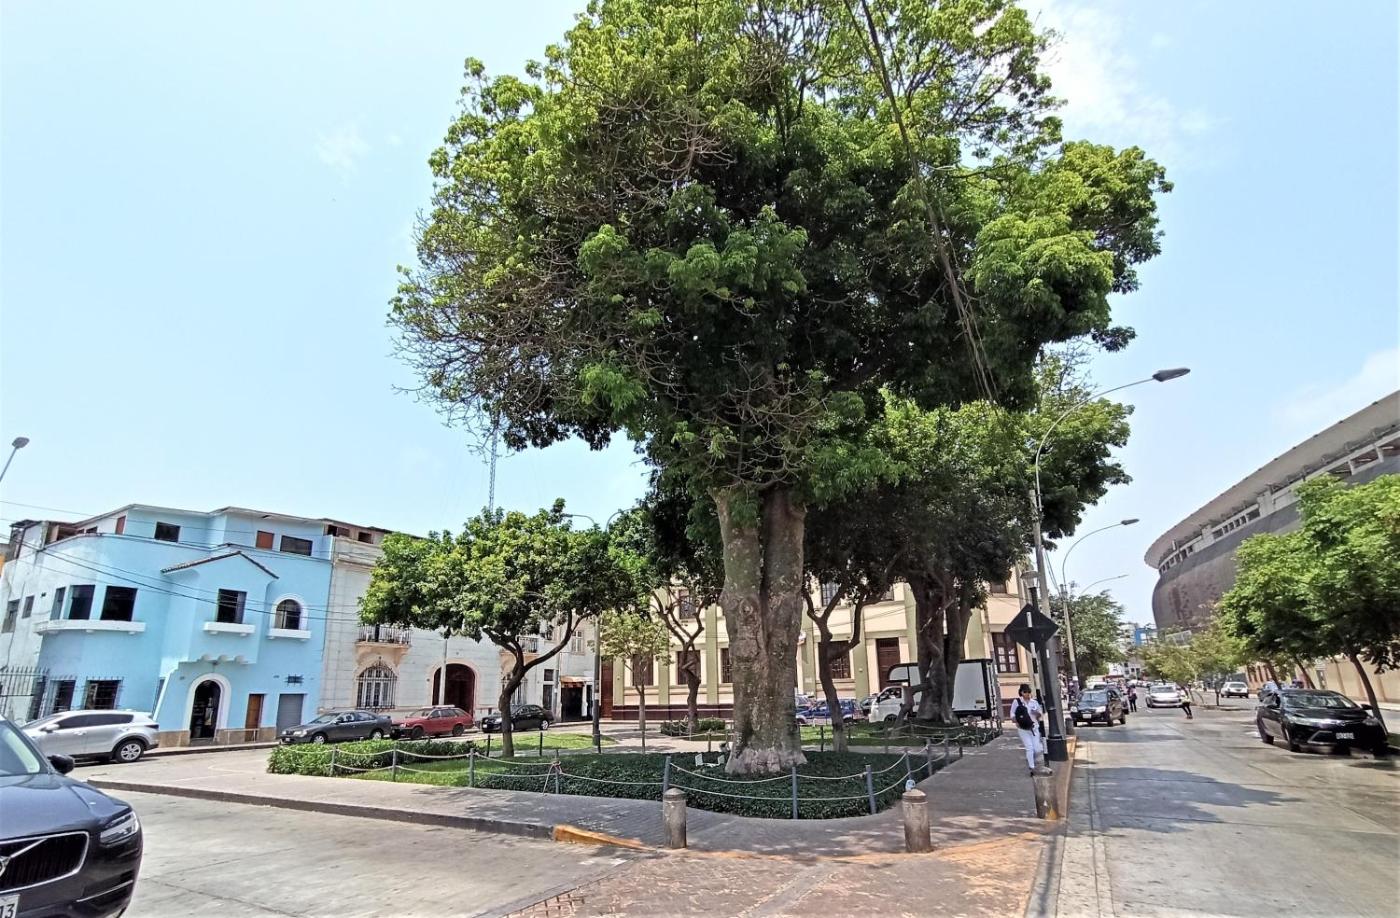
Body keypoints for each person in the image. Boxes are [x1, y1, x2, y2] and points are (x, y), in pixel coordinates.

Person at [1012, 684, 1047, 776]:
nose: (1027, 694)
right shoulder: (1017, 702)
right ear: (1021, 692)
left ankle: (1035, 761)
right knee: (1029, 748)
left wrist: (1036, 713)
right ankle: (1032, 767)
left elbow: (1040, 714)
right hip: (1023, 729)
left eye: (1028, 692)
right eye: (1025, 692)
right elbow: (1012, 715)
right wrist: (1017, 721)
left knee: (1037, 748)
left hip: (1034, 728)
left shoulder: (1034, 702)